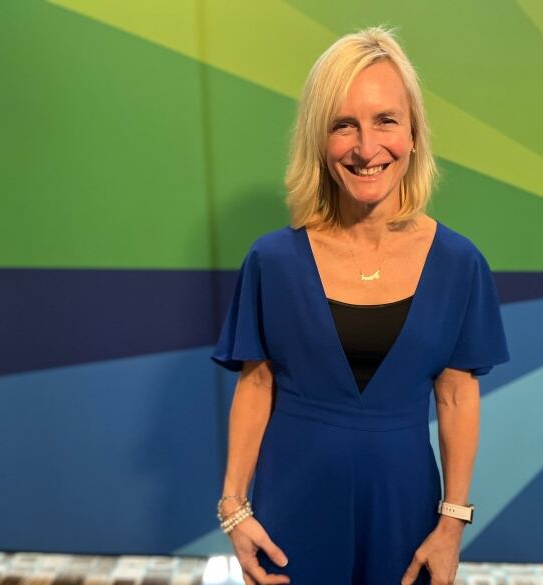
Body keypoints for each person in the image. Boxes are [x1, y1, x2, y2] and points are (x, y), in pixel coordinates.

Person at [211, 25, 510, 585]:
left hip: (407, 519)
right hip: (290, 517)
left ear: (415, 134)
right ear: (319, 143)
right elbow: (255, 385)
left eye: (386, 121)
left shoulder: (458, 263)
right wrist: (234, 508)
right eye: (343, 124)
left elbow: (455, 394)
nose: (366, 148)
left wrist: (452, 526)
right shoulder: (271, 261)